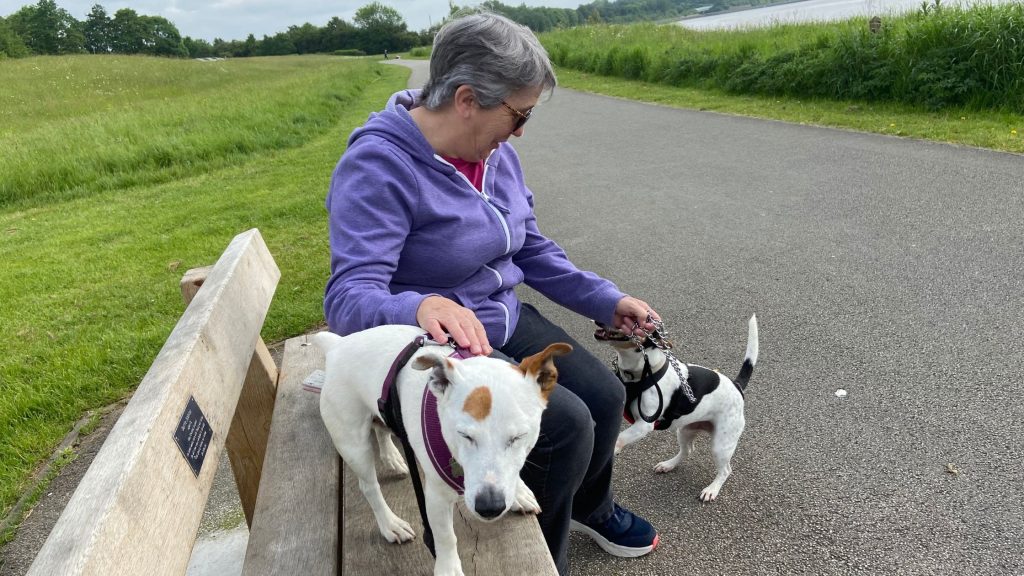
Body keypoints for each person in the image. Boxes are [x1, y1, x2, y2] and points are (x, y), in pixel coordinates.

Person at [324, 11, 660, 575]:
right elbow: (347, 298)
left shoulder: (495, 154)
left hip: (499, 317)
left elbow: (529, 247)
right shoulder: (376, 167)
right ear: (465, 100)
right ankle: (539, 560)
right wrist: (420, 304)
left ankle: (585, 505)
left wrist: (606, 299)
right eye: (519, 113)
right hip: (443, 345)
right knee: (567, 428)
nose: (522, 129)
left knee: (604, 397)